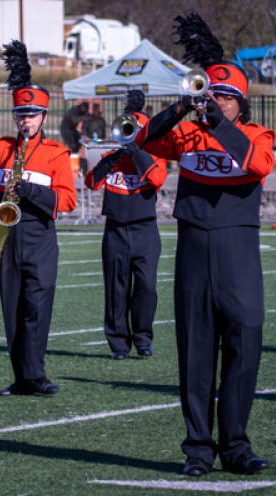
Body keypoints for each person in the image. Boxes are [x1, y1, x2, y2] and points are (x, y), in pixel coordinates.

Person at [141, 13, 275, 476]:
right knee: (196, 350)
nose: (215, 101)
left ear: (241, 104)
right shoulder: (187, 133)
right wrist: (181, 108)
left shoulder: (256, 135)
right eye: (211, 93)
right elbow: (145, 140)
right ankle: (198, 449)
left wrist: (218, 124)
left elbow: (258, 165)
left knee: (247, 339)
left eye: (225, 97)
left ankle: (235, 445)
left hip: (238, 249)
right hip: (194, 247)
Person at [0, 40, 76, 396]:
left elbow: (67, 200)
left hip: (39, 236)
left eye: (32, 115)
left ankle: (37, 374)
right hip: (7, 236)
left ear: (44, 117)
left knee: (36, 307)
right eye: (21, 115)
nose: (25, 121)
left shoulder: (55, 154)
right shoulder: (0, 149)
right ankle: (20, 377)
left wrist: (29, 189)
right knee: (12, 310)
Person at [85, 90, 167, 360]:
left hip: (145, 231)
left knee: (147, 288)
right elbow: (91, 182)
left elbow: (157, 180)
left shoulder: (154, 155)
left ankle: (143, 338)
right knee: (115, 288)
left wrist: (137, 152)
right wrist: (112, 158)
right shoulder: (114, 154)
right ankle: (118, 343)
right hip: (116, 230)